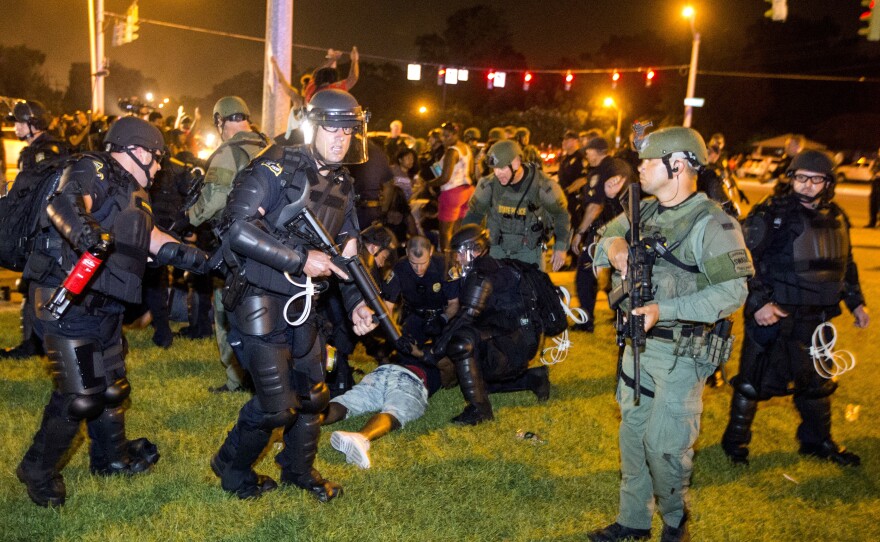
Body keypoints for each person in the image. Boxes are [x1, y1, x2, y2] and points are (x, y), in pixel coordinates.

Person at [16, 117, 209, 507]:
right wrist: (89, 237)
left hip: (103, 307)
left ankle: (111, 459)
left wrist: (208, 260)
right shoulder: (91, 167)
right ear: (137, 151)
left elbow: (154, 242)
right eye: (155, 160)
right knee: (81, 395)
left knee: (112, 387)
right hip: (66, 301)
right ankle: (36, 468)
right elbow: (64, 203)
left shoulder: (134, 191)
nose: (158, 169)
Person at [211, 88, 377, 501]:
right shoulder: (272, 167)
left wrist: (360, 303)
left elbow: (348, 250)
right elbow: (237, 228)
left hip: (304, 301)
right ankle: (231, 467)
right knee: (275, 407)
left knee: (313, 397)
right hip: (258, 298)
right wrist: (301, 259)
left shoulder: (341, 181)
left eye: (349, 130)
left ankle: (298, 471)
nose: (342, 138)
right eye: (333, 128)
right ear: (312, 126)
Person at [589, 127, 752, 541]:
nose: (639, 169)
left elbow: (733, 291)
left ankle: (675, 521)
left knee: (665, 448)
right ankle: (633, 521)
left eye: (647, 162)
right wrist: (615, 250)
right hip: (636, 347)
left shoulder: (712, 222)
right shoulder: (642, 211)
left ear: (676, 164)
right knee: (633, 439)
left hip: (681, 352)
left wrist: (666, 310)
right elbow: (601, 238)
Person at [721, 150, 868, 468]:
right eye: (801, 178)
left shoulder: (838, 216)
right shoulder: (772, 214)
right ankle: (735, 445)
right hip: (773, 313)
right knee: (752, 381)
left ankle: (817, 442)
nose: (808, 185)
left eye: (816, 179)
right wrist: (759, 302)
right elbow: (744, 259)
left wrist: (856, 303)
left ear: (829, 183)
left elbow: (846, 263)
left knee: (817, 383)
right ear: (791, 179)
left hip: (816, 318)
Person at [428, 224, 551, 425]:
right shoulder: (491, 266)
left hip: (514, 346)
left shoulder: (482, 275)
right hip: (516, 340)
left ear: (475, 250)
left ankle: (479, 411)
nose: (457, 259)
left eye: (460, 253)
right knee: (475, 381)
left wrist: (435, 350)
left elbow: (466, 316)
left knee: (461, 342)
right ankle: (533, 378)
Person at [188, 96, 268, 393]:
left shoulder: (227, 153)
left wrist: (189, 218)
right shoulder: (270, 145)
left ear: (221, 121)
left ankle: (237, 379)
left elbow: (212, 202)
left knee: (227, 309)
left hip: (235, 246)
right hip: (272, 245)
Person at [1, 100, 69, 360]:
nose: (15, 126)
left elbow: (40, 193)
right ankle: (37, 342)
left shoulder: (44, 152)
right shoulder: (48, 147)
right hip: (48, 226)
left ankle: (36, 344)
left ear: (34, 124)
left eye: (19, 122)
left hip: (43, 228)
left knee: (36, 282)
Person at [464, 140, 570, 271]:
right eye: (495, 168)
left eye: (502, 168)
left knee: (533, 289)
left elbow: (561, 215)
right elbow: (473, 216)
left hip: (530, 252)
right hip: (496, 250)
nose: (497, 173)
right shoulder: (488, 185)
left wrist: (560, 247)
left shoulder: (543, 185)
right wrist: (467, 245)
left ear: (516, 163)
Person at [571, 147, 633, 332]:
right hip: (624, 227)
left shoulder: (604, 170)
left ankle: (586, 319)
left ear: (598, 151)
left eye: (589, 151)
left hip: (607, 229)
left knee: (585, 272)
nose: (586, 156)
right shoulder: (616, 166)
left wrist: (580, 232)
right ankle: (622, 317)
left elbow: (596, 206)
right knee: (620, 274)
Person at [426, 122, 475, 264]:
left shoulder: (452, 151)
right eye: (443, 135)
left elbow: (445, 177)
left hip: (452, 192)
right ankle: (460, 262)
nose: (444, 138)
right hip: (467, 191)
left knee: (445, 233)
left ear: (455, 135)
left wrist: (428, 183)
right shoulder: (466, 148)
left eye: (447, 135)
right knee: (458, 230)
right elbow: (471, 172)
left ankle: (447, 264)